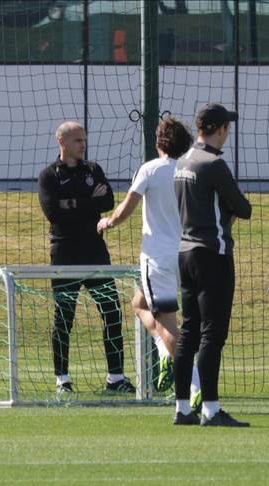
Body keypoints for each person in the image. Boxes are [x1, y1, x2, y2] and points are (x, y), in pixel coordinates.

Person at [96, 115, 200, 399]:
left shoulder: (151, 170)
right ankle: (165, 353)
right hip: (189, 256)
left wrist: (108, 222)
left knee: (168, 324)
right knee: (138, 303)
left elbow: (126, 209)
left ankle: (196, 385)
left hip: (159, 258)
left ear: (159, 143)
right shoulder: (190, 169)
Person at [38, 121, 132, 397]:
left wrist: (72, 202)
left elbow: (108, 202)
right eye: (78, 140)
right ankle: (62, 379)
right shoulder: (48, 176)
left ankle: (116, 377)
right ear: (62, 143)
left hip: (95, 251)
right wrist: (86, 202)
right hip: (64, 252)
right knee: (64, 316)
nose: (83, 145)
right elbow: (53, 213)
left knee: (111, 310)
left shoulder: (93, 170)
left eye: (84, 140)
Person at [173, 103, 252, 426]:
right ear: (220, 129)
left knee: (188, 331)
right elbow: (243, 208)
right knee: (212, 334)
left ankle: (181, 408)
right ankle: (211, 409)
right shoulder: (214, 164)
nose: (228, 133)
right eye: (226, 127)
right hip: (213, 254)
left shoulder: (182, 161)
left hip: (185, 253)